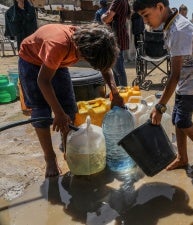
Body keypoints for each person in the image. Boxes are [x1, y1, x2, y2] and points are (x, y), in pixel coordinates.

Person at [18, 23, 125, 177]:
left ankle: (69, 152)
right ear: (85, 53)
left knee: (69, 109)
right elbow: (43, 81)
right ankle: (50, 158)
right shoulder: (59, 45)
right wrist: (58, 113)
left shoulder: (94, 41)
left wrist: (115, 93)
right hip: (31, 61)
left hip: (58, 63)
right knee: (41, 111)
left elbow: (105, 67)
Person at [133, 0, 193, 170]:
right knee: (177, 119)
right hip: (186, 79)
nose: (145, 21)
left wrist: (160, 107)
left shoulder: (179, 30)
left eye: (146, 15)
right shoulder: (169, 24)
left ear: (160, 7)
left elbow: (173, 75)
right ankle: (182, 158)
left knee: (182, 121)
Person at [101, 0, 130, 86]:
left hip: (116, 36)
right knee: (116, 66)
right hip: (120, 35)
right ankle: (118, 91)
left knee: (118, 68)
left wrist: (103, 16)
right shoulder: (125, 1)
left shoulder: (117, 1)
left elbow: (107, 19)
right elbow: (128, 15)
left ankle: (123, 91)